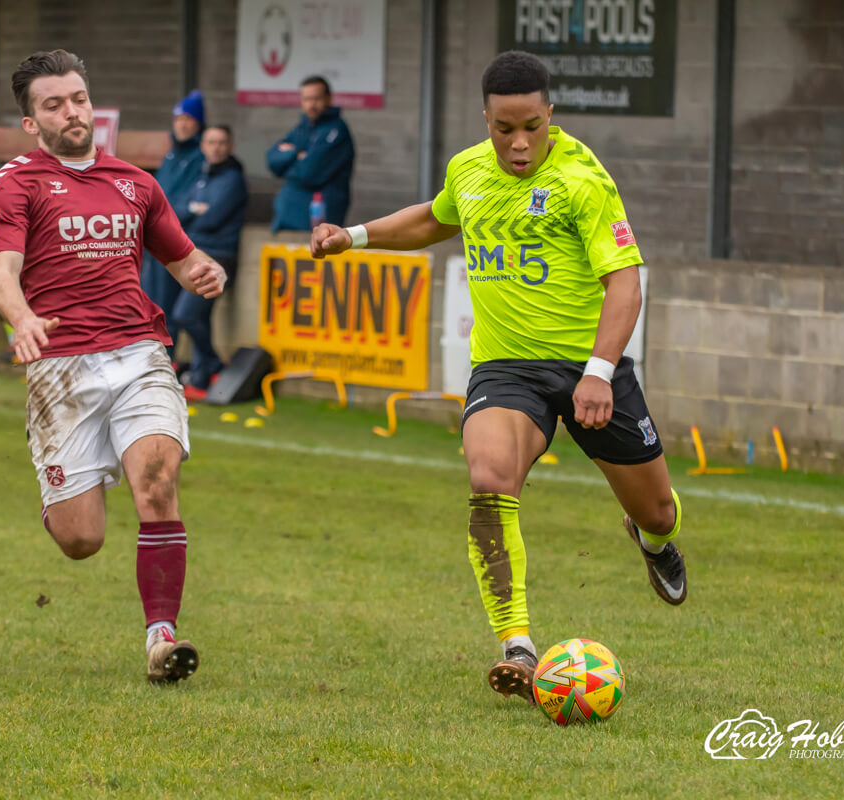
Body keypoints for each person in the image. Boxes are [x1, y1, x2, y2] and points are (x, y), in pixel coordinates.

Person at [310, 51, 687, 705]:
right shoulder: (469, 169)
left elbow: (625, 282)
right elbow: (436, 217)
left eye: (532, 128)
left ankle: (652, 540)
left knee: (657, 510)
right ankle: (517, 643)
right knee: (489, 478)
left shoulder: (582, 179)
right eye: (503, 129)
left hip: (587, 367)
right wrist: (354, 236)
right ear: (485, 119)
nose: (518, 144)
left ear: (551, 116)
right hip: (506, 368)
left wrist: (598, 374)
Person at [0, 49, 226, 684]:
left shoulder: (136, 182)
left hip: (138, 353)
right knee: (81, 538)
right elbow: (1, 271)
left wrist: (204, 271)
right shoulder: (16, 182)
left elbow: (183, 257)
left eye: (78, 99)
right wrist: (22, 318)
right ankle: (62, 478)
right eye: (54, 104)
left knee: (156, 481)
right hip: (60, 369)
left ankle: (161, 639)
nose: (71, 112)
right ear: (32, 122)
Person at [171, 124, 249, 399]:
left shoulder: (233, 179)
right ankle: (203, 378)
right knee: (197, 317)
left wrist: (192, 214)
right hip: (195, 257)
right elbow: (176, 210)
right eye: (211, 142)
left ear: (230, 146)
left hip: (218, 259)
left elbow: (212, 219)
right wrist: (193, 210)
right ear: (203, 146)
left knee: (186, 315)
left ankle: (213, 363)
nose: (215, 147)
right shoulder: (202, 176)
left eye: (221, 143)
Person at [142, 89, 207, 368]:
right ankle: (148, 362)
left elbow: (192, 204)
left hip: (177, 244)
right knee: (148, 303)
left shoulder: (200, 157)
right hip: (153, 240)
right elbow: (158, 198)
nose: (182, 124)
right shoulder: (170, 156)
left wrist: (176, 212)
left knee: (169, 308)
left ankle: (167, 366)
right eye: (178, 118)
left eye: (188, 119)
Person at [266, 75, 355, 232]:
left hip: (318, 223)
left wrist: (290, 160)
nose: (311, 104)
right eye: (306, 99)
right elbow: (272, 160)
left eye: (316, 99)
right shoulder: (303, 127)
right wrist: (296, 153)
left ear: (328, 98)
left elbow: (309, 173)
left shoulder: (336, 130)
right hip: (287, 218)